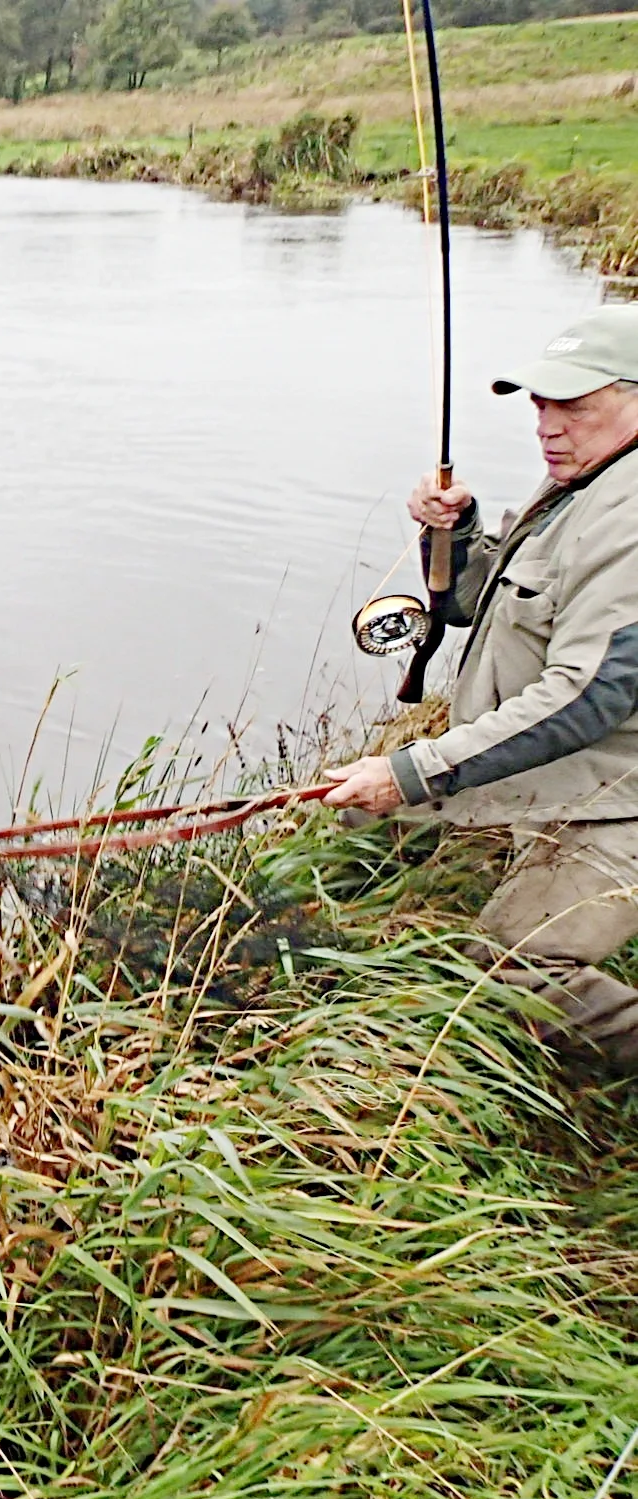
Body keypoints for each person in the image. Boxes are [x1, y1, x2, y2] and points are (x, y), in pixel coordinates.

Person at [323, 304, 638, 1066]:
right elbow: (475, 603)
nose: (547, 427)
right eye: (541, 405)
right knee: (359, 827)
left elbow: (590, 695)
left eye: (573, 406)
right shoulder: (581, 480)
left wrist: (413, 770)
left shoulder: (630, 514)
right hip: (554, 771)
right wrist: (455, 531)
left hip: (615, 797)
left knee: (508, 974)